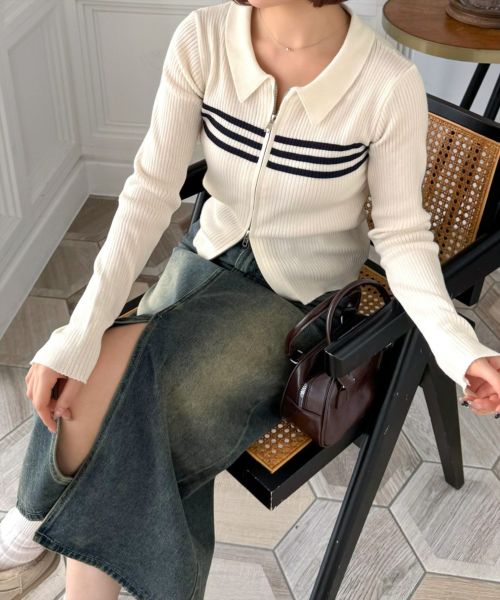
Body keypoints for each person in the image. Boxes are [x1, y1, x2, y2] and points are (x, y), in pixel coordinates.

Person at [1, 0, 500, 598]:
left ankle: (28, 526)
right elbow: (150, 190)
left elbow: (402, 236)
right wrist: (79, 332)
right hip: (202, 262)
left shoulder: (385, 83)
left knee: (120, 409)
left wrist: (458, 347)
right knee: (97, 379)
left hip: (291, 306)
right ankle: (34, 527)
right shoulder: (203, 38)